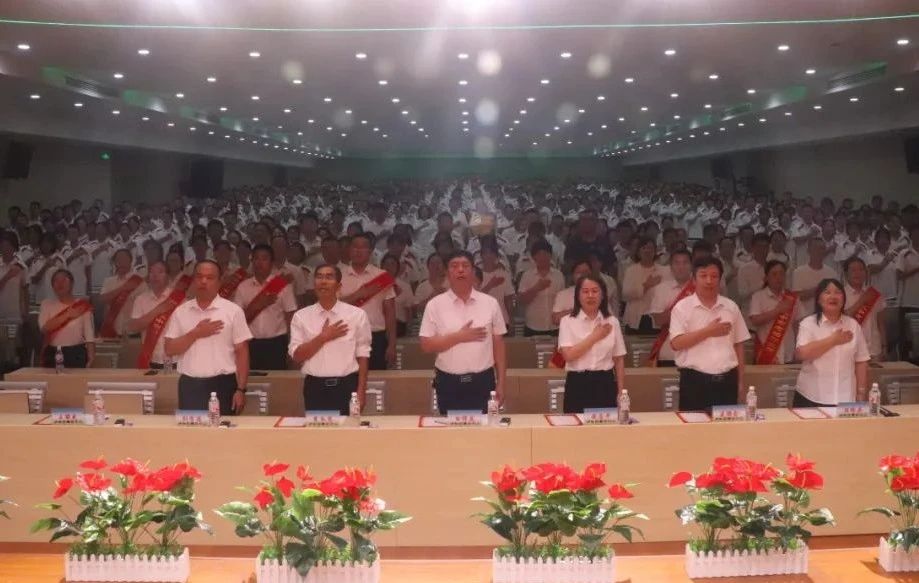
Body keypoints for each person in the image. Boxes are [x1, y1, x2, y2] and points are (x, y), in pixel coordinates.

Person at [419, 250, 507, 414]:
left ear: (473, 271)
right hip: (448, 382)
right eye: (454, 266)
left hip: (483, 381)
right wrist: (459, 337)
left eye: (465, 266)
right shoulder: (435, 305)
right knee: (451, 429)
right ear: (447, 273)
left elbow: (499, 345)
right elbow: (426, 345)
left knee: (486, 427)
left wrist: (501, 383)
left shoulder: (490, 303)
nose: (460, 270)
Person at [164, 260, 253, 415]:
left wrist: (241, 389)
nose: (203, 281)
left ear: (219, 282)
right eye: (199, 277)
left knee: (223, 429)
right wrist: (196, 333)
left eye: (210, 277)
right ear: (193, 280)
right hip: (190, 385)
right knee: (191, 430)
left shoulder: (233, 311)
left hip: (223, 384)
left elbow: (242, 352)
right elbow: (169, 349)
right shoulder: (181, 311)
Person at [669, 257, 751, 411]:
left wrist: (740, 382)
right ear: (694, 280)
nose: (709, 281)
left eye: (714, 276)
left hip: (727, 380)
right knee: (694, 424)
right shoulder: (682, 307)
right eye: (703, 275)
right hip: (694, 381)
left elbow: (739, 345)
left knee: (727, 425)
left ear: (720, 280)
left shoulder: (731, 307)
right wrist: (708, 331)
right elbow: (676, 343)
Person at [289, 264, 371, 414]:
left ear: (339, 286)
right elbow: (297, 356)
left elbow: (363, 355)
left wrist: (361, 390)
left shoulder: (356, 315)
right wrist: (323, 337)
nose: (323, 281)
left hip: (347, 386)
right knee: (318, 429)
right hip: (315, 388)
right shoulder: (301, 316)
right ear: (314, 284)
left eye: (329, 277)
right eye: (319, 277)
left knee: (348, 429)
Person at [794, 278, 870, 406]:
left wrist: (861, 393)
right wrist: (833, 340)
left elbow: (861, 361)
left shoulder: (853, 325)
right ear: (819, 299)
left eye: (838, 292)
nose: (833, 296)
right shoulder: (808, 324)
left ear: (844, 299)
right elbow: (801, 354)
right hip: (811, 396)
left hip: (846, 397)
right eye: (827, 292)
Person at [557, 274, 626, 413]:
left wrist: (621, 392)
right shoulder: (567, 321)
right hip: (577, 383)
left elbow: (619, 360)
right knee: (575, 426)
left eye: (595, 291)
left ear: (602, 295)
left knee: (606, 426)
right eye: (585, 291)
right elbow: (568, 355)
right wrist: (595, 337)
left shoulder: (612, 322)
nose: (590, 295)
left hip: (605, 383)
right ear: (578, 296)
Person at [234, 244, 297, 370]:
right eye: (256, 258)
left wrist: (292, 345)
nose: (259, 263)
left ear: (272, 263)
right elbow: (236, 320)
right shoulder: (243, 287)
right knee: (251, 379)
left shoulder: (282, 285)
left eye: (264, 258)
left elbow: (291, 318)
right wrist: (258, 305)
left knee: (277, 380)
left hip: (277, 343)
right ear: (252, 261)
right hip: (250, 343)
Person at [339, 233, 397, 370]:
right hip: (346, 335)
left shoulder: (382, 276)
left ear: (370, 251)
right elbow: (332, 307)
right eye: (355, 247)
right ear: (349, 250)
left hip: (375, 337)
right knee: (348, 378)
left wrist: (392, 344)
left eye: (363, 247)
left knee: (376, 378)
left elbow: (390, 313)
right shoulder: (338, 275)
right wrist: (358, 295)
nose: (358, 251)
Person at [128, 260, 184, 369]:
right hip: (150, 358)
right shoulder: (141, 299)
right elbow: (133, 328)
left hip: (175, 359)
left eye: (160, 272)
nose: (155, 276)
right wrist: (157, 311)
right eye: (151, 272)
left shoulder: (179, 298)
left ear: (168, 276)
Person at [749, 260, 803, 364]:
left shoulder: (793, 298)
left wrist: (799, 347)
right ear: (766, 278)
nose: (779, 277)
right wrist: (777, 311)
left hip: (789, 353)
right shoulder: (758, 297)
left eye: (782, 274)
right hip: (766, 352)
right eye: (774, 274)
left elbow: (797, 325)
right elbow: (755, 320)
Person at [38, 269, 95, 368]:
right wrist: (67, 315)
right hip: (53, 352)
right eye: (56, 281)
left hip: (76, 353)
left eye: (64, 280)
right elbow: (44, 328)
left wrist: (91, 355)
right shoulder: (46, 304)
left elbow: (89, 334)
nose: (60, 284)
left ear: (72, 284)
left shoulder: (81, 305)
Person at [648, 249, 695, 367]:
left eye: (685, 263)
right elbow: (658, 320)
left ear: (692, 266)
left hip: (696, 353)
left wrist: (672, 313)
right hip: (668, 351)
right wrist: (686, 310)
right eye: (677, 263)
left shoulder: (700, 288)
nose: (681, 267)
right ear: (671, 267)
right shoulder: (661, 289)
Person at [517, 241, 565, 336]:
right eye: (539, 254)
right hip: (533, 326)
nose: (542, 257)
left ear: (550, 256)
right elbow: (521, 301)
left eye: (545, 254)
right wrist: (537, 288)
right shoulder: (527, 276)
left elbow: (562, 301)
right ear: (534, 257)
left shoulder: (558, 275)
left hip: (554, 326)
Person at [843, 257, 886, 361]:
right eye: (853, 270)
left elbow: (881, 323)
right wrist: (862, 301)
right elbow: (840, 320)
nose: (858, 273)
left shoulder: (874, 294)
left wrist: (884, 346)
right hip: (850, 349)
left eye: (861, 269)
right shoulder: (840, 294)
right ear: (846, 274)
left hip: (874, 349)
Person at [621, 237, 665, 333]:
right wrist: (646, 286)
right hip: (635, 317)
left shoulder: (663, 270)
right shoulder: (631, 270)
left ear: (655, 251)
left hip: (656, 318)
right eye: (644, 248)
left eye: (650, 248)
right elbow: (625, 294)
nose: (647, 251)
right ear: (638, 251)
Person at [98, 249, 146, 338]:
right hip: (112, 330)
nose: (121, 262)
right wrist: (122, 288)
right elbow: (103, 299)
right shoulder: (109, 281)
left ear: (131, 261)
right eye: (118, 259)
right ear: (115, 262)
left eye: (124, 259)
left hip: (132, 331)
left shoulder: (138, 281)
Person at [792, 238, 838, 317]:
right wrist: (819, 289)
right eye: (816, 248)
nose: (819, 251)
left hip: (826, 317)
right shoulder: (798, 272)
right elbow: (797, 297)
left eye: (822, 249)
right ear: (808, 251)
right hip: (804, 317)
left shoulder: (832, 273)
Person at [552, 260, 593, 325]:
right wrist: (576, 311)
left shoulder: (599, 294)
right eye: (579, 272)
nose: (583, 275)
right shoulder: (563, 294)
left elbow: (607, 318)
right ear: (573, 275)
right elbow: (555, 320)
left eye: (586, 272)